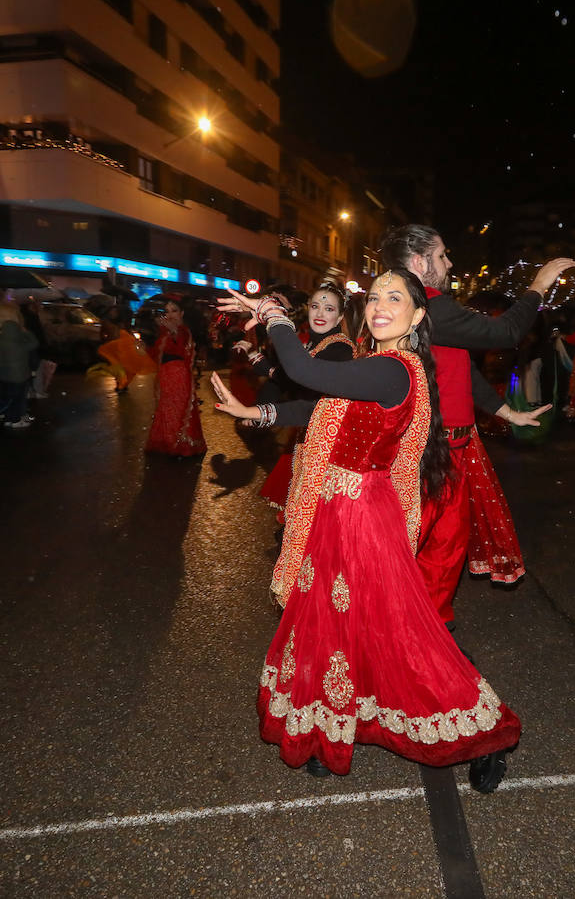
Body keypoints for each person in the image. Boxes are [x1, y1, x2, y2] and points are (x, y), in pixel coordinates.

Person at [209, 270, 521, 792]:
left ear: (418, 316)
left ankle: (483, 734)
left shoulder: (395, 370)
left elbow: (303, 369)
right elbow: (318, 406)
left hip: (362, 515)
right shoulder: (372, 367)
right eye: (375, 297)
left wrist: (276, 317)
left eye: (394, 298)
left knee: (396, 630)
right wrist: (256, 411)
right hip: (335, 509)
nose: (379, 306)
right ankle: (323, 724)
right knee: (330, 623)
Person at [379, 225, 565, 620]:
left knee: (440, 549)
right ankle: (406, 635)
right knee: (428, 550)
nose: (449, 263)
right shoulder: (429, 304)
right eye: (442, 255)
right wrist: (538, 286)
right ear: (418, 262)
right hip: (431, 452)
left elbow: (459, 366)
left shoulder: (418, 306)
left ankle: (424, 634)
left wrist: (504, 411)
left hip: (444, 448)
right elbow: (507, 331)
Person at [245, 284, 357, 518]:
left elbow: (300, 385)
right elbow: (291, 381)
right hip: (308, 436)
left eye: (328, 308)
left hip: (328, 448)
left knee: (314, 517)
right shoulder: (314, 344)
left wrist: (262, 412)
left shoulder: (340, 349)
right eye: (315, 306)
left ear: (340, 316)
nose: (320, 313)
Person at [145, 298, 206, 456]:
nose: (170, 314)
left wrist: (174, 332)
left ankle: (179, 445)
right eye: (167, 311)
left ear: (182, 313)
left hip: (178, 376)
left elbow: (183, 352)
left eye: (174, 310)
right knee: (166, 409)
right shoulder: (163, 333)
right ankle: (166, 442)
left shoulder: (184, 331)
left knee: (177, 409)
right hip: (165, 376)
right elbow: (156, 354)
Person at [0, 303, 38, 429]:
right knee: (19, 398)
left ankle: (8, 418)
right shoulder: (19, 339)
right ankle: (16, 420)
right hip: (19, 374)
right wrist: (26, 332)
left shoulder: (0, 339)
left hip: (4, 373)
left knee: (7, 396)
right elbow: (34, 343)